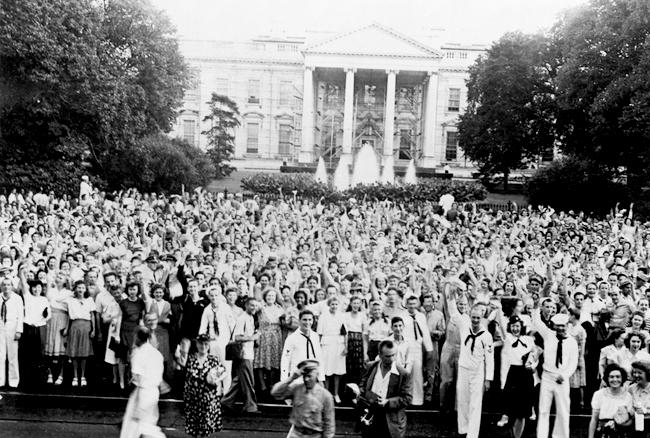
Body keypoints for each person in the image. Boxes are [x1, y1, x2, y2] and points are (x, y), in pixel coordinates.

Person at [533, 311, 579, 438]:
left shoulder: (572, 342)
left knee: (563, 410)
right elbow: (537, 322)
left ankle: (561, 436)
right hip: (547, 376)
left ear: (567, 325)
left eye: (562, 325)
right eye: (557, 325)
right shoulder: (548, 335)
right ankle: (541, 435)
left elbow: (573, 363)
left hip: (562, 379)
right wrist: (537, 306)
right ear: (553, 326)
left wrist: (564, 375)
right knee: (543, 409)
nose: (560, 328)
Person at [359, 339, 412, 438]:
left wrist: (387, 402)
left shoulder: (403, 374)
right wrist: (360, 393)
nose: (392, 359)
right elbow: (362, 385)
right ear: (380, 355)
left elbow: (407, 398)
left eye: (394, 355)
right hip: (370, 416)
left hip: (391, 421)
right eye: (388, 356)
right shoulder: (370, 367)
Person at [271, 359, 335, 438]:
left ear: (317, 375)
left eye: (309, 376)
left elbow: (329, 424)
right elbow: (275, 393)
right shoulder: (296, 388)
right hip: (296, 434)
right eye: (304, 376)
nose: (306, 379)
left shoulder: (326, 396)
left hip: (314, 435)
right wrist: (291, 378)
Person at [456, 303, 494, 438]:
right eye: (473, 317)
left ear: (482, 317)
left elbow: (490, 359)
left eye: (478, 318)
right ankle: (463, 429)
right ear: (470, 316)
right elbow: (453, 310)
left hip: (477, 372)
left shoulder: (486, 335)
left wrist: (488, 379)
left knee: (475, 403)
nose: (475, 320)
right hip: (463, 369)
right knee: (462, 400)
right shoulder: (464, 328)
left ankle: (472, 434)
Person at [120, 327, 165, 438]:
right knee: (148, 422)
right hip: (154, 392)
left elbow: (139, 377)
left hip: (143, 393)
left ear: (138, 338)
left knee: (137, 425)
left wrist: (138, 405)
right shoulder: (157, 354)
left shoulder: (138, 354)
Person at [222, 297, 260, 414]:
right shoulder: (242, 318)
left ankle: (226, 402)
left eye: (255, 305)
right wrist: (252, 338)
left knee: (240, 381)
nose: (254, 308)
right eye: (252, 305)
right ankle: (250, 406)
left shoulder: (250, 318)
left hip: (249, 353)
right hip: (243, 354)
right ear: (246, 306)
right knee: (248, 381)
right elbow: (237, 337)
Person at [183, 333, 226, 438]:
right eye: (201, 344)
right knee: (194, 428)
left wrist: (215, 379)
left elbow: (223, 372)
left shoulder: (213, 360)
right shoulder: (190, 359)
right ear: (197, 344)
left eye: (206, 344)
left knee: (206, 427)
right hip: (193, 398)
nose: (203, 347)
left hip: (208, 399)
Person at [588, 363, 633, 438]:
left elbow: (630, 421)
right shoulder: (599, 394)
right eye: (611, 377)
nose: (615, 379)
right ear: (607, 379)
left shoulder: (627, 396)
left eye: (618, 377)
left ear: (622, 379)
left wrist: (618, 424)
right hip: (602, 433)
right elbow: (594, 419)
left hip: (621, 433)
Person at [64, 280, 96, 387]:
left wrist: (94, 330)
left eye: (83, 288)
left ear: (85, 289)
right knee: (74, 353)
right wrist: (66, 329)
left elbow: (92, 316)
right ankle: (75, 376)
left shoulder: (90, 300)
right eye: (78, 287)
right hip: (74, 326)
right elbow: (69, 316)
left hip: (86, 327)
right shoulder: (71, 301)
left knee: (84, 354)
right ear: (75, 289)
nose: (81, 290)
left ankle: (83, 376)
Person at [281, 310, 324, 382]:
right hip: (297, 378)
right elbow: (285, 360)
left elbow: (319, 357)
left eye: (310, 320)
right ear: (299, 321)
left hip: (313, 378)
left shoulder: (315, 336)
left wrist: (321, 378)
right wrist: (284, 381)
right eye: (304, 320)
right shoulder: (291, 338)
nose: (307, 322)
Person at [0, 277, 24, 388]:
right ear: (1, 286)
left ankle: (13, 381)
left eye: (8, 284)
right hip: (0, 328)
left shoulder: (17, 298)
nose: (6, 287)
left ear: (12, 286)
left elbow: (20, 316)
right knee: (0, 356)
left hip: (12, 327)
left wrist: (19, 330)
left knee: (13, 356)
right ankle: (1, 381)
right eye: (4, 284)